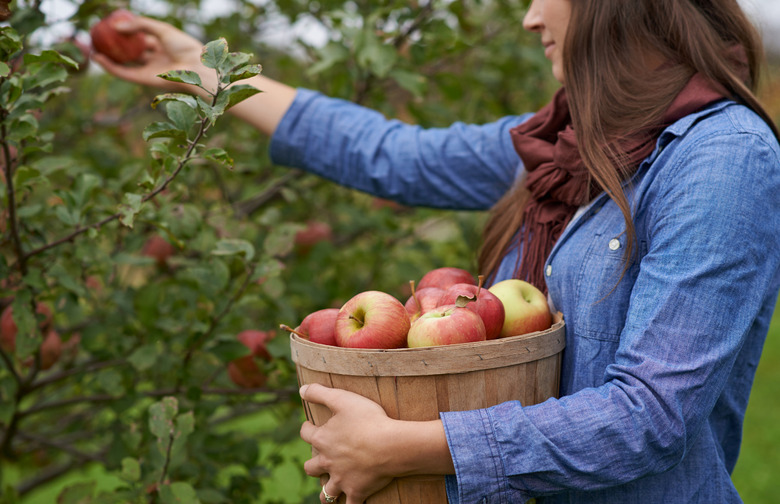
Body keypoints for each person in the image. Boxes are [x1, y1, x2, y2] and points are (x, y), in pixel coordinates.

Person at [96, 0, 780, 502]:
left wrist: (405, 449)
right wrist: (200, 71)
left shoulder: (721, 159)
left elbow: (649, 416)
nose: (530, 18)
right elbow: (388, 153)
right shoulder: (559, 146)